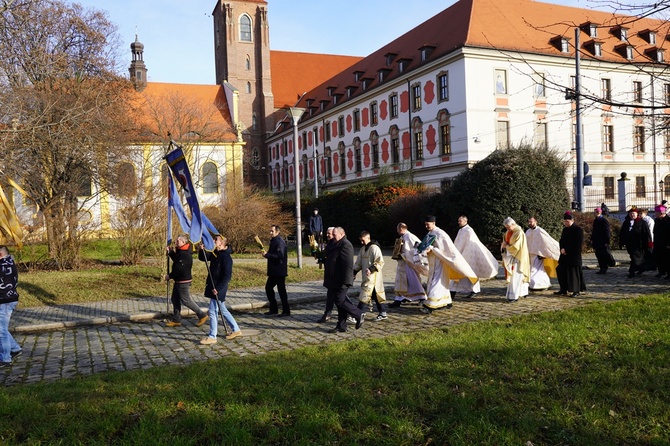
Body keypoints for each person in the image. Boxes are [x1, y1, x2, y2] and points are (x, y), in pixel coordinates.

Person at [422, 215, 477, 313]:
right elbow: (427, 246)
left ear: (434, 223)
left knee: (437, 282)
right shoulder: (430, 233)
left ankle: (430, 306)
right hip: (434, 261)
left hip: (441, 261)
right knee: (440, 282)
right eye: (425, 224)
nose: (426, 226)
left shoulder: (440, 234)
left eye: (428, 224)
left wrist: (432, 249)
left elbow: (444, 250)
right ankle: (447, 302)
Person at [198, 235, 241, 344]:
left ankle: (212, 336)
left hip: (219, 288)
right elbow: (203, 258)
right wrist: (201, 250)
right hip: (214, 286)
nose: (213, 241)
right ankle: (236, 329)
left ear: (222, 243)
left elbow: (227, 276)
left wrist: (218, 288)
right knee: (222, 309)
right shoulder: (216, 253)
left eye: (215, 240)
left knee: (212, 311)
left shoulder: (226, 258)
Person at [323, 227, 364, 332]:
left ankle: (358, 314)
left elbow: (347, 265)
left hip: (342, 279)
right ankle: (341, 325)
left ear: (341, 234)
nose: (333, 236)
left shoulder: (346, 245)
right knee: (338, 302)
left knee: (340, 300)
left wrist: (346, 280)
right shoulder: (333, 243)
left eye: (335, 234)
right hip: (333, 278)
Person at [165, 234, 209, 327]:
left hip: (183, 281)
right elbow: (177, 261)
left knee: (186, 300)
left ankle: (202, 315)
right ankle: (176, 319)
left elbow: (178, 268)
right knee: (175, 299)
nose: (176, 242)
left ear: (183, 242)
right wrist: (171, 253)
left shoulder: (185, 253)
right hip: (179, 280)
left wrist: (170, 276)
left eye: (178, 241)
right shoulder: (181, 251)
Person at [450, 215, 498, 298]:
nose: (458, 222)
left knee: (471, 273)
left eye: (460, 221)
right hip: (460, 254)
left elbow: (470, 243)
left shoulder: (469, 230)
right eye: (458, 221)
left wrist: (464, 254)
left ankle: (474, 290)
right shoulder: (461, 230)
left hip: (468, 255)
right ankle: (454, 291)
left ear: (465, 221)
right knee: (460, 273)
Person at [390, 223, 427, 307]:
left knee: (413, 280)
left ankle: (422, 297)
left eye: (398, 229)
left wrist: (404, 254)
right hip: (402, 263)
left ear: (402, 229)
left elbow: (418, 248)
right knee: (401, 281)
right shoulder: (402, 237)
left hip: (409, 263)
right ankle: (399, 299)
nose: (397, 231)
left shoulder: (410, 237)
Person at [353, 230, 387, 321]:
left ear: (368, 238)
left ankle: (358, 314)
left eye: (363, 240)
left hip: (373, 276)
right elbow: (358, 263)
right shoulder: (362, 249)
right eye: (360, 240)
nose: (361, 242)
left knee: (365, 293)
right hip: (366, 276)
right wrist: (354, 272)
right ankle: (383, 312)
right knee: (375, 295)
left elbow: (380, 261)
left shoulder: (374, 248)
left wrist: (371, 269)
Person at [555, 211, 586, 297]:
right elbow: (561, 240)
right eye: (564, 222)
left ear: (572, 220)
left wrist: (567, 250)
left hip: (573, 256)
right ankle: (563, 289)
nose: (566, 223)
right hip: (564, 255)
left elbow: (577, 243)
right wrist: (562, 249)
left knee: (573, 274)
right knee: (560, 270)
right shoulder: (565, 230)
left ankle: (576, 291)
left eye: (567, 221)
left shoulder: (578, 230)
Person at [0, 245, 21, 367]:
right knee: (1, 328)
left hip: (4, 301)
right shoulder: (10, 262)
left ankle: (5, 358)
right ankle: (15, 348)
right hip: (10, 299)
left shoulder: (2, 266)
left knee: (1, 331)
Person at [262, 224, 290, 316]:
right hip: (274, 270)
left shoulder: (279, 241)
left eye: (272, 231)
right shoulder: (273, 240)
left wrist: (267, 255)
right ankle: (274, 309)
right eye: (270, 231)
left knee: (281, 290)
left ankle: (286, 310)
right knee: (268, 288)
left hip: (279, 270)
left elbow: (280, 255)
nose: (270, 233)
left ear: (277, 232)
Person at [525, 216, 560, 290]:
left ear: (535, 221)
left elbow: (547, 242)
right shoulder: (527, 232)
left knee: (536, 270)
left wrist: (544, 253)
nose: (529, 223)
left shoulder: (540, 231)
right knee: (534, 269)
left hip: (539, 254)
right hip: (530, 254)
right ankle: (542, 283)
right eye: (528, 221)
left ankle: (537, 284)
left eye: (531, 221)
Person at [501, 217, 530, 302]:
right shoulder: (508, 232)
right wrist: (504, 246)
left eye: (508, 226)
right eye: (506, 227)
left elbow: (516, 247)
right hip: (511, 256)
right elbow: (505, 241)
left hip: (518, 257)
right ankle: (521, 293)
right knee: (514, 277)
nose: (507, 228)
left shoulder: (519, 233)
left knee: (516, 277)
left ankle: (514, 296)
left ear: (513, 224)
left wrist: (506, 246)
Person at [619, 207, 654, 278]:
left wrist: (649, 244)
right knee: (633, 257)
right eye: (631, 214)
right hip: (629, 244)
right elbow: (622, 233)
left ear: (637, 214)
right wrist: (621, 242)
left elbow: (647, 234)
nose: (632, 215)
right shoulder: (626, 222)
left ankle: (632, 271)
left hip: (639, 244)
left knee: (635, 258)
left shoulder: (642, 222)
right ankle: (641, 268)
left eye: (633, 213)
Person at [317, 227, 336, 322]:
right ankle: (328, 313)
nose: (327, 235)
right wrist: (321, 258)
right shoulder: (329, 244)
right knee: (332, 294)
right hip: (329, 273)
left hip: (335, 274)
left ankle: (354, 312)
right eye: (327, 233)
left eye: (329, 233)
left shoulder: (336, 244)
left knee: (339, 295)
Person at [591, 207, 614, 274]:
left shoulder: (604, 221)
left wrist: (607, 241)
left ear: (598, 213)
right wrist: (592, 239)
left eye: (595, 212)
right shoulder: (596, 220)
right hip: (596, 241)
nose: (594, 213)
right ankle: (602, 267)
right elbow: (594, 231)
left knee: (603, 254)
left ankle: (605, 267)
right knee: (598, 255)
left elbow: (607, 232)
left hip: (602, 241)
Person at [653, 205, 670, 278]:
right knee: (658, 258)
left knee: (667, 259)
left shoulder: (668, 220)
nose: (655, 214)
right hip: (657, 242)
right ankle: (661, 271)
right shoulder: (656, 220)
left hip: (666, 243)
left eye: (656, 213)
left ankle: (669, 273)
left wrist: (669, 243)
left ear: (661, 213)